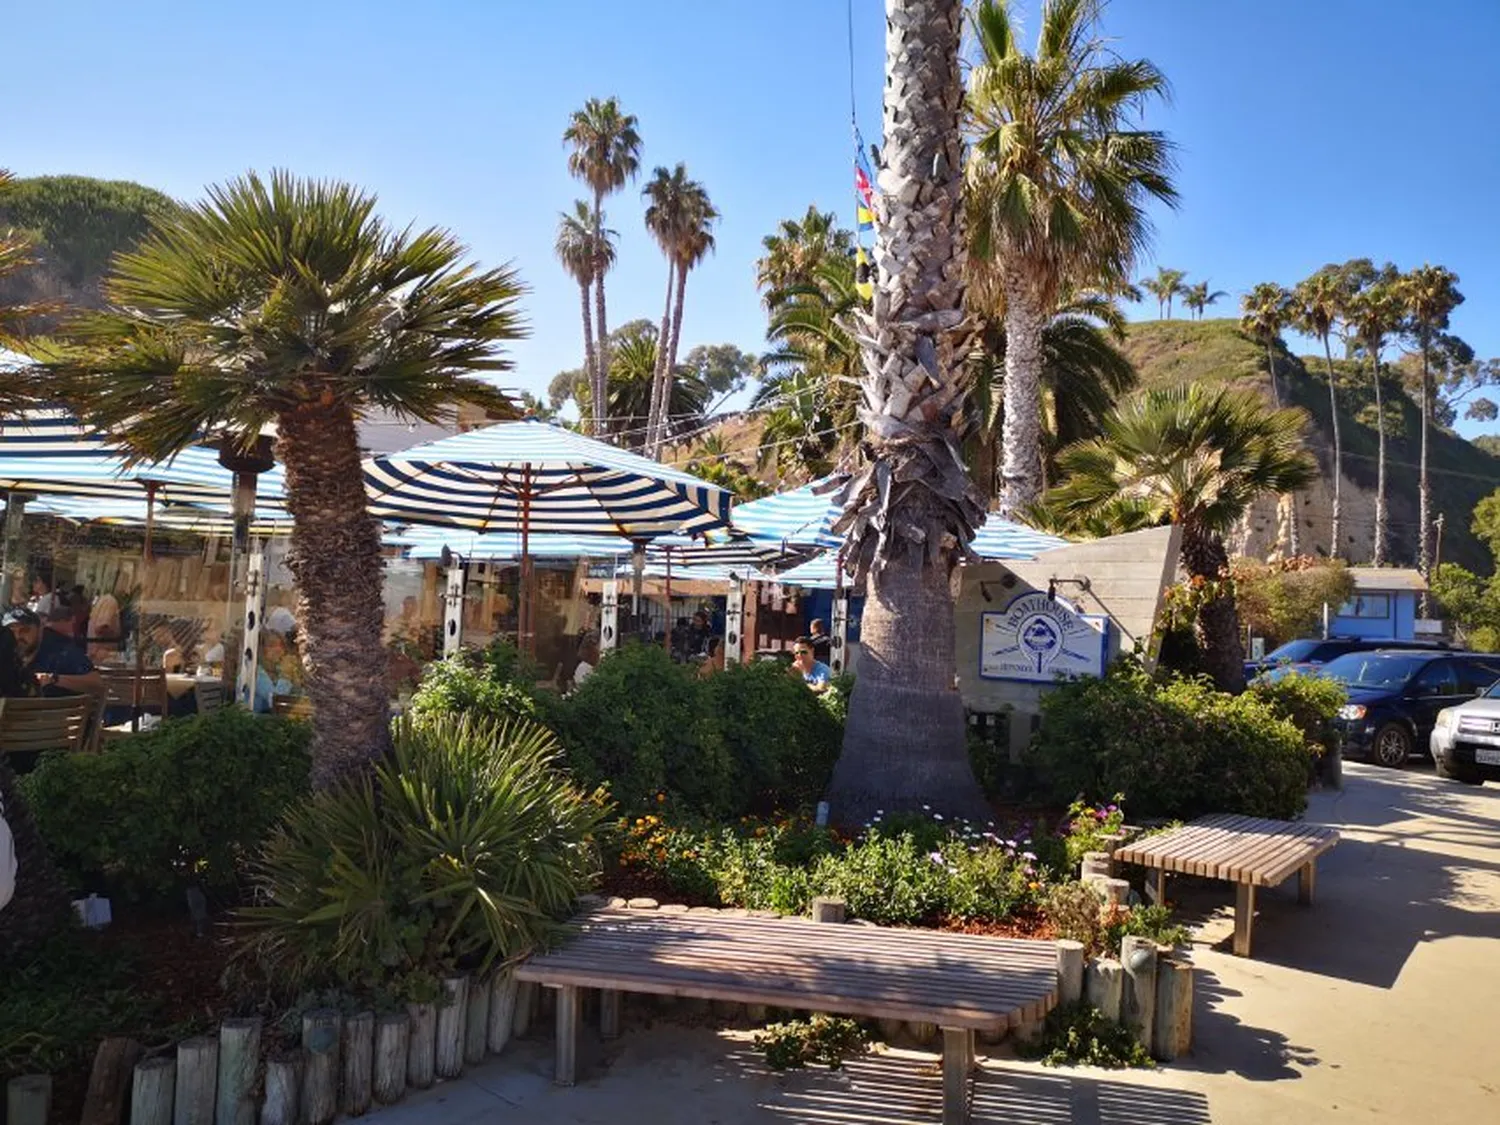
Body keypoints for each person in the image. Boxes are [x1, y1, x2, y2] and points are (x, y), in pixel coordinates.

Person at [4, 607, 102, 698]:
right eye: (11, 631)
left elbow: (97, 684)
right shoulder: (6, 653)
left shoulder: (61, 651)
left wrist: (52, 679)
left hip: (57, 714)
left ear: (40, 630)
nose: (17, 637)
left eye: (25, 630)